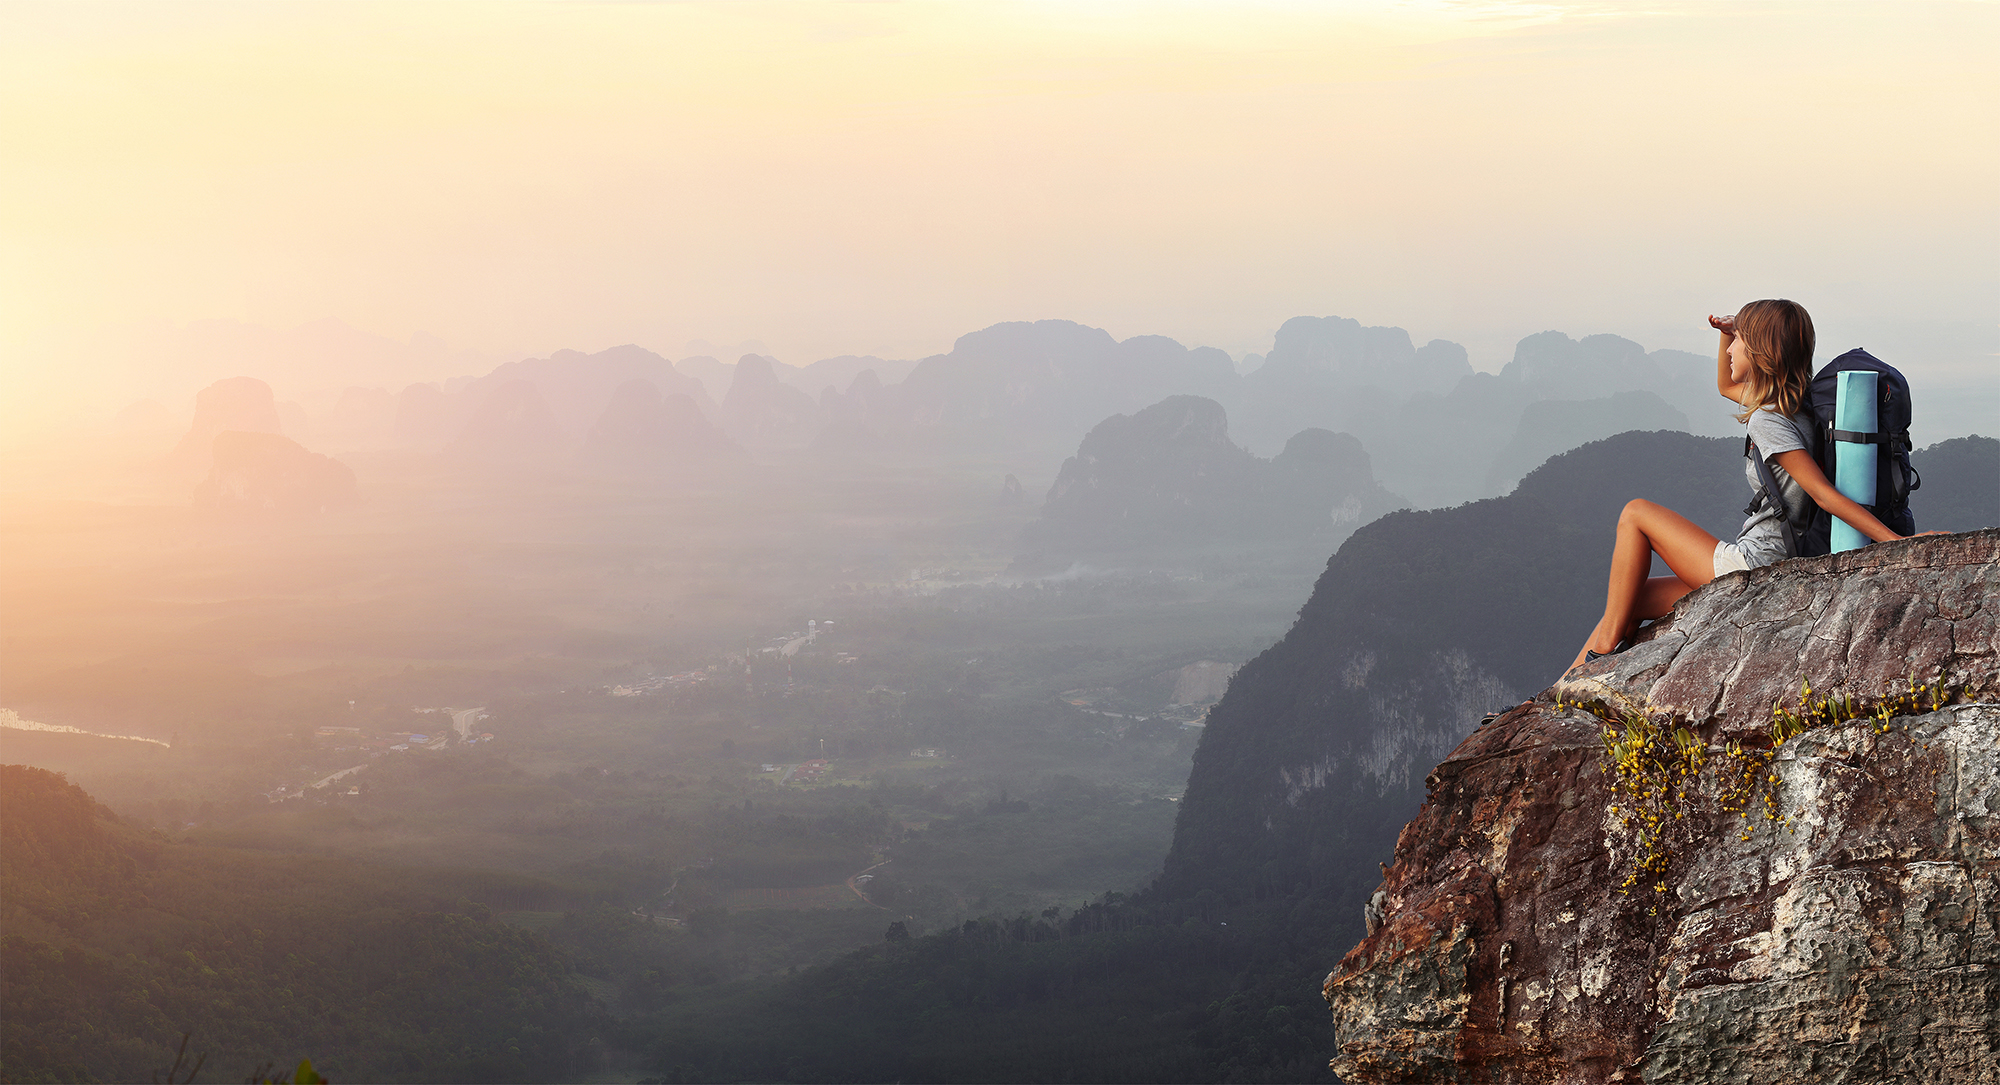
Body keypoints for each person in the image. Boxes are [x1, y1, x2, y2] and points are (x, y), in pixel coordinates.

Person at [1566, 299, 1932, 675]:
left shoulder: (1768, 420)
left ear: (1759, 352)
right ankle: (1557, 691)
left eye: (1739, 341)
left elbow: (1824, 494)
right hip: (1774, 559)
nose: (1731, 350)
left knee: (1635, 513)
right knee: (1633, 598)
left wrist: (1899, 545)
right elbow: (1726, 386)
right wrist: (1726, 332)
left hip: (1756, 565)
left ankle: (1602, 654)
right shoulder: (1796, 404)